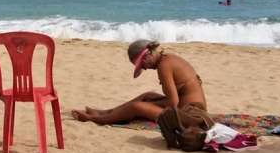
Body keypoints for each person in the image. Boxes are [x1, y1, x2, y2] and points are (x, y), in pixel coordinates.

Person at [71, 40, 207, 124]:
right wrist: (149, 102)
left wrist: (147, 105)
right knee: (147, 95)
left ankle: (94, 119)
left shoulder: (164, 66)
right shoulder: (168, 59)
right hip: (186, 108)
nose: (145, 68)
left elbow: (173, 102)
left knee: (136, 106)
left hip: (190, 116)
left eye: (142, 65)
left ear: (148, 55)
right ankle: (105, 113)